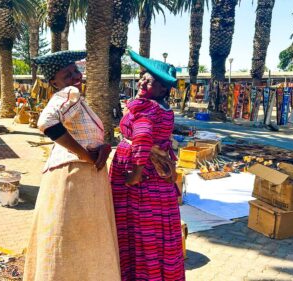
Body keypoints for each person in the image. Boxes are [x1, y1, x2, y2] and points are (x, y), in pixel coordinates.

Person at [23, 50, 121, 281]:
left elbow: (84, 135)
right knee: (75, 236)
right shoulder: (69, 93)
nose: (75, 77)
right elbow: (46, 123)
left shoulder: (75, 98)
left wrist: (102, 147)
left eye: (75, 71)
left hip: (76, 176)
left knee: (67, 235)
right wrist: (86, 155)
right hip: (75, 177)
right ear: (54, 82)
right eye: (66, 74)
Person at [109, 50, 185, 281]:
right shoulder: (163, 108)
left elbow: (141, 138)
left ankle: (139, 274)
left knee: (139, 226)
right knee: (157, 227)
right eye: (143, 77)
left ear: (163, 89)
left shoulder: (146, 108)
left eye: (149, 80)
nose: (142, 81)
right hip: (157, 177)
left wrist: (136, 174)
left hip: (141, 178)